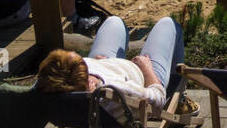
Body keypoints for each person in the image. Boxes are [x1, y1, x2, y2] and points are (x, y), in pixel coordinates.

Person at [35, 16, 184, 121]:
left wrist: (96, 64)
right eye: (80, 60)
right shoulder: (115, 92)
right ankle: (178, 101)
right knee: (168, 24)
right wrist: (147, 70)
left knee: (114, 22)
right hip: (141, 75)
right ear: (90, 83)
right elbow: (156, 101)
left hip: (107, 66)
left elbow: (69, 74)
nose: (79, 55)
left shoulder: (59, 83)